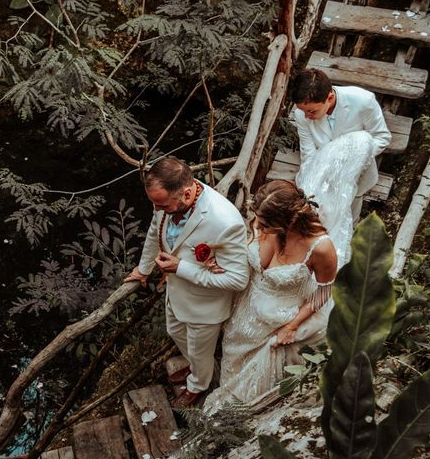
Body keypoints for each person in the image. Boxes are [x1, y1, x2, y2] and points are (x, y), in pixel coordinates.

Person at [124, 157, 249, 408]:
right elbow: (153, 232)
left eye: (163, 205)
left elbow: (238, 279)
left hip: (205, 305)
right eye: (155, 204)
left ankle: (199, 385)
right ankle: (195, 368)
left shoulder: (225, 222)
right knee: (176, 333)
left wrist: (180, 267)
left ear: (188, 192)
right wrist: (144, 268)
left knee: (201, 350)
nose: (158, 210)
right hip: (176, 293)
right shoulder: (164, 203)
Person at [203, 180, 338, 414]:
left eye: (265, 225)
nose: (259, 228)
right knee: (233, 355)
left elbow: (325, 290)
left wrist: (292, 326)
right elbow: (248, 252)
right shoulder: (263, 221)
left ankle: (238, 413)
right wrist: (221, 264)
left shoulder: (320, 247)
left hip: (279, 321)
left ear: (290, 220)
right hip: (245, 309)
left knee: (255, 380)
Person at [290, 68, 391, 267]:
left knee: (346, 221)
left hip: (357, 177)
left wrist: (352, 156)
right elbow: (309, 153)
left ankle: (339, 262)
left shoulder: (363, 101)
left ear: (329, 97)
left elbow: (382, 137)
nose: (307, 117)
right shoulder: (302, 114)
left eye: (312, 111)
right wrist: (309, 187)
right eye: (303, 112)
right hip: (322, 175)